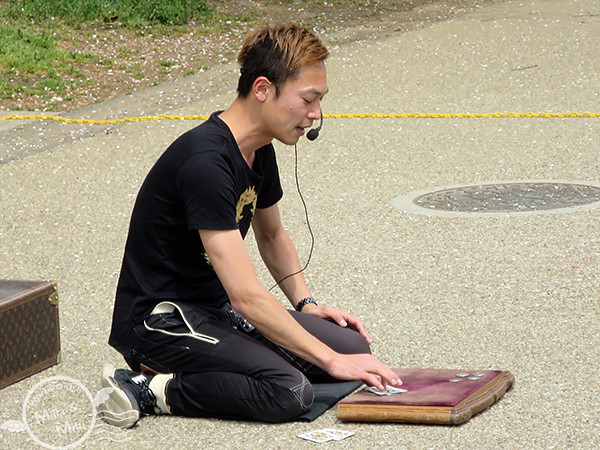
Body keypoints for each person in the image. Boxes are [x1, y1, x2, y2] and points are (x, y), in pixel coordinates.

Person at [101, 23, 401, 428]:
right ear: (263, 89)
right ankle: (148, 389)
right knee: (290, 391)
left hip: (212, 311)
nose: (315, 115)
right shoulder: (205, 163)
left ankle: (221, 365)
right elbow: (245, 295)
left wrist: (308, 305)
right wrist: (328, 359)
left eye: (320, 101)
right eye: (309, 100)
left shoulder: (259, 150)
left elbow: (273, 235)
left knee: (352, 345)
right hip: (161, 322)